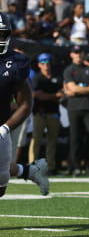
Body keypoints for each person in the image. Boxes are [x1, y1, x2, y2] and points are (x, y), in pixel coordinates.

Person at [0, 13, 49, 197]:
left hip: (1, 126)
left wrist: (5, 128)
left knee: (0, 188)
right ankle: (28, 171)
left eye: (1, 34)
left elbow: (26, 104)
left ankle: (28, 171)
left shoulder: (14, 63)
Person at [63, 45, 89, 176]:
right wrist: (85, 89)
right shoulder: (69, 70)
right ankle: (76, 166)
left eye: (80, 52)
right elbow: (71, 88)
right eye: (76, 52)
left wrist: (77, 89)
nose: (78, 54)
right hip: (74, 108)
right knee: (75, 138)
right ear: (71, 54)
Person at [29, 53, 63, 175]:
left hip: (54, 112)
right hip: (40, 113)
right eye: (42, 62)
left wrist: (51, 96)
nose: (45, 64)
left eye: (47, 62)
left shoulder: (57, 77)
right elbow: (39, 95)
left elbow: (62, 93)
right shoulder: (37, 78)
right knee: (36, 140)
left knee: (52, 141)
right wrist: (54, 96)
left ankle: (50, 166)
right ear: (39, 64)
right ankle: (32, 166)